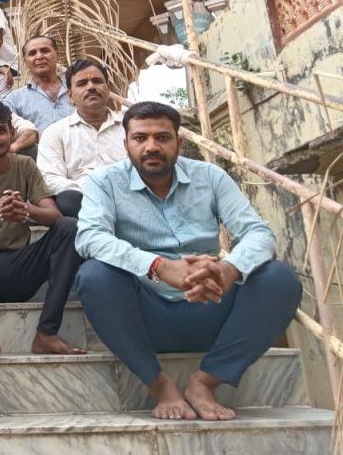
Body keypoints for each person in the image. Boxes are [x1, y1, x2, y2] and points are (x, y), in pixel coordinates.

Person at [75, 102, 301, 422]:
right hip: (145, 314)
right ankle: (160, 384)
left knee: (279, 278)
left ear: (179, 143)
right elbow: (89, 237)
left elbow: (258, 233)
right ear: (126, 144)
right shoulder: (104, 182)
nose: (151, 146)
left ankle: (205, 381)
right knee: (94, 276)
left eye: (162, 137)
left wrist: (227, 269)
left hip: (210, 303)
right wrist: (160, 268)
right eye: (140, 138)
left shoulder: (210, 176)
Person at [0, 103, 84, 358]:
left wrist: (26, 210)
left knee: (70, 227)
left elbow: (54, 215)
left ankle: (47, 333)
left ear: (11, 133)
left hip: (23, 267)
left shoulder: (24, 164)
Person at [37, 58, 126, 218]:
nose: (91, 87)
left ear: (107, 90)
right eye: (82, 83)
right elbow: (49, 178)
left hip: (128, 196)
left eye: (97, 81)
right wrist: (92, 190)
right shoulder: (55, 133)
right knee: (67, 200)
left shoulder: (129, 127)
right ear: (70, 96)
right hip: (83, 202)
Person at [5, 36, 74, 133]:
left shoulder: (76, 89)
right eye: (32, 53)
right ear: (25, 62)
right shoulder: (14, 100)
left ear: (57, 56)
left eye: (45, 51)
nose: (39, 57)